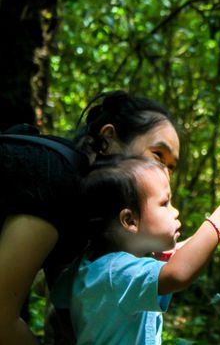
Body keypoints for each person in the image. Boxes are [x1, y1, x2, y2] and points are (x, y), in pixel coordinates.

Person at [0, 90, 180, 344]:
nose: (164, 173)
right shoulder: (55, 179)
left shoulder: (89, 215)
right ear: (108, 138)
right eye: (158, 156)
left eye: (171, 166)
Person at [51, 155, 220, 343]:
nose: (176, 211)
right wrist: (217, 221)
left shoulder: (90, 267)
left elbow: (59, 299)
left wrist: (209, 235)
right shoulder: (118, 273)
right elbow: (178, 273)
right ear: (130, 220)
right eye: (165, 203)